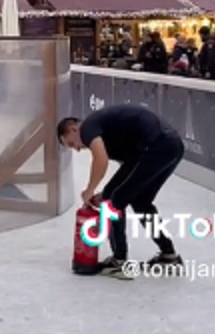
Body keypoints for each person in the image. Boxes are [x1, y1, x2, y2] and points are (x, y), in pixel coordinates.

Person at [57, 105, 185, 279]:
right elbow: (129, 172)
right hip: (171, 146)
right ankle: (169, 255)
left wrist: (90, 189)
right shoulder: (107, 134)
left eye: (72, 143)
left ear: (74, 129)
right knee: (139, 202)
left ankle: (119, 262)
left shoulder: (88, 127)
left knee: (113, 202)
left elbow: (100, 160)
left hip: (156, 146)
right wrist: (105, 193)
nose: (78, 149)